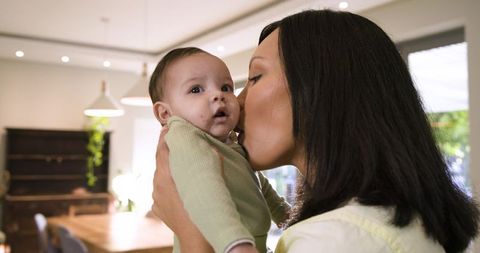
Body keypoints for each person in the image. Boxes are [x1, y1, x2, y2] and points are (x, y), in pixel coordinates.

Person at [151, 10, 479, 253]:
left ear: (319, 91)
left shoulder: (331, 241)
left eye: (253, 78)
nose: (235, 100)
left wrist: (189, 230)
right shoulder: (407, 219)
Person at [148, 47, 290, 253]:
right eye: (196, 89)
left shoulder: (227, 142)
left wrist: (287, 216)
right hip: (223, 245)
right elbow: (204, 188)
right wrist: (237, 244)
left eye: (226, 87)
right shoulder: (184, 135)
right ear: (165, 113)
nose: (218, 95)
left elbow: (259, 185)